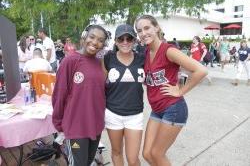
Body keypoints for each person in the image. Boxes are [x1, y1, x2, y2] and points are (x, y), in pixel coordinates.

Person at [134, 15, 207, 166]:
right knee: (147, 154)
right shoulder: (146, 52)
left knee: (157, 154)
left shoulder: (168, 50)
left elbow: (200, 70)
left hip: (173, 109)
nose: (143, 33)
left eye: (147, 28)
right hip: (157, 110)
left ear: (156, 27)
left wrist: (180, 91)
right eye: (139, 30)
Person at [52, 25, 109, 166]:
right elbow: (59, 94)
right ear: (84, 37)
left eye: (100, 40)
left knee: (88, 162)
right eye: (92, 37)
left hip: (95, 125)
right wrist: (59, 124)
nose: (95, 42)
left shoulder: (100, 64)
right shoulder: (70, 61)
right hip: (75, 127)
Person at [103, 24, 145, 166]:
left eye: (129, 38)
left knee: (133, 159)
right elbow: (99, 84)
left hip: (135, 114)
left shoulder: (142, 58)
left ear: (134, 41)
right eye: (121, 39)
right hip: (113, 114)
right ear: (115, 41)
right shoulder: (108, 58)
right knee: (116, 152)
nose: (125, 42)